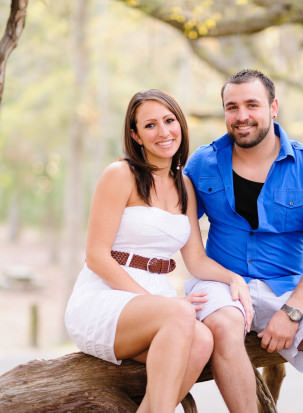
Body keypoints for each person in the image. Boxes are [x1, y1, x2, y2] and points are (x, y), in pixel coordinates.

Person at [64, 89, 252, 412]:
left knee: (204, 339)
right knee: (181, 312)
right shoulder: (120, 175)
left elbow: (195, 260)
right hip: (106, 295)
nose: (163, 132)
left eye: (169, 121)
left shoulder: (185, 186)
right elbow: (96, 256)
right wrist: (154, 302)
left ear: (180, 124)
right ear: (135, 135)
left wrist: (234, 278)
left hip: (157, 299)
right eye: (150, 126)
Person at [184, 69, 303, 412]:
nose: (242, 116)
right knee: (224, 323)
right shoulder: (202, 163)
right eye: (232, 107)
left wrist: (292, 312)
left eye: (252, 105)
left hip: (288, 288)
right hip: (224, 284)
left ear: (273, 107)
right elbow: (175, 225)